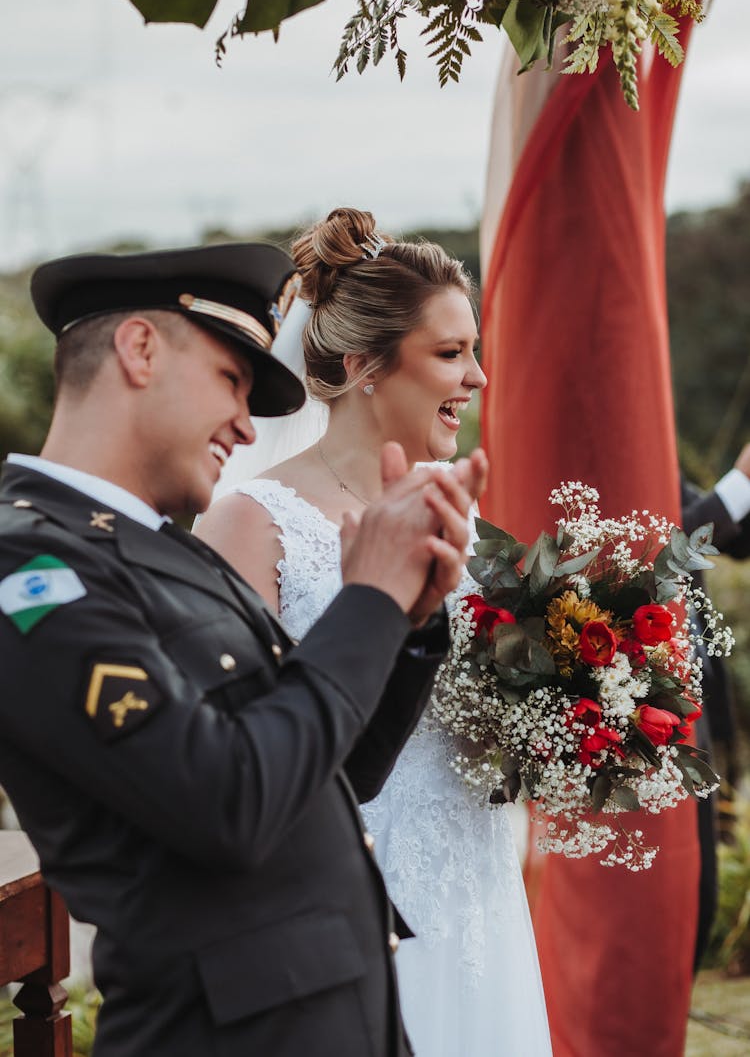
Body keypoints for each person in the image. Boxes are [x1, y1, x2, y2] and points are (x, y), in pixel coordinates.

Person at [0, 241, 485, 1057]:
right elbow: (226, 800)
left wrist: (410, 617)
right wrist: (365, 599)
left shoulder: (170, 552)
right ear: (140, 349)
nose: (248, 423)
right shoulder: (32, 573)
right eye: (231, 379)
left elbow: (337, 771)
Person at [196, 208, 552, 1056]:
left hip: (478, 886)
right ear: (362, 365)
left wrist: (565, 713)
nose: (479, 378)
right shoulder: (252, 522)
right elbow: (239, 743)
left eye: (473, 349)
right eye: (450, 352)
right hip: (346, 898)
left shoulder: (459, 512)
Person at [682, 442, 750, 969]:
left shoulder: (666, 472)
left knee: (703, 874)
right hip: (654, 715)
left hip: (702, 704)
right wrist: (741, 478)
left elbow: (735, 537)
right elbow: (670, 548)